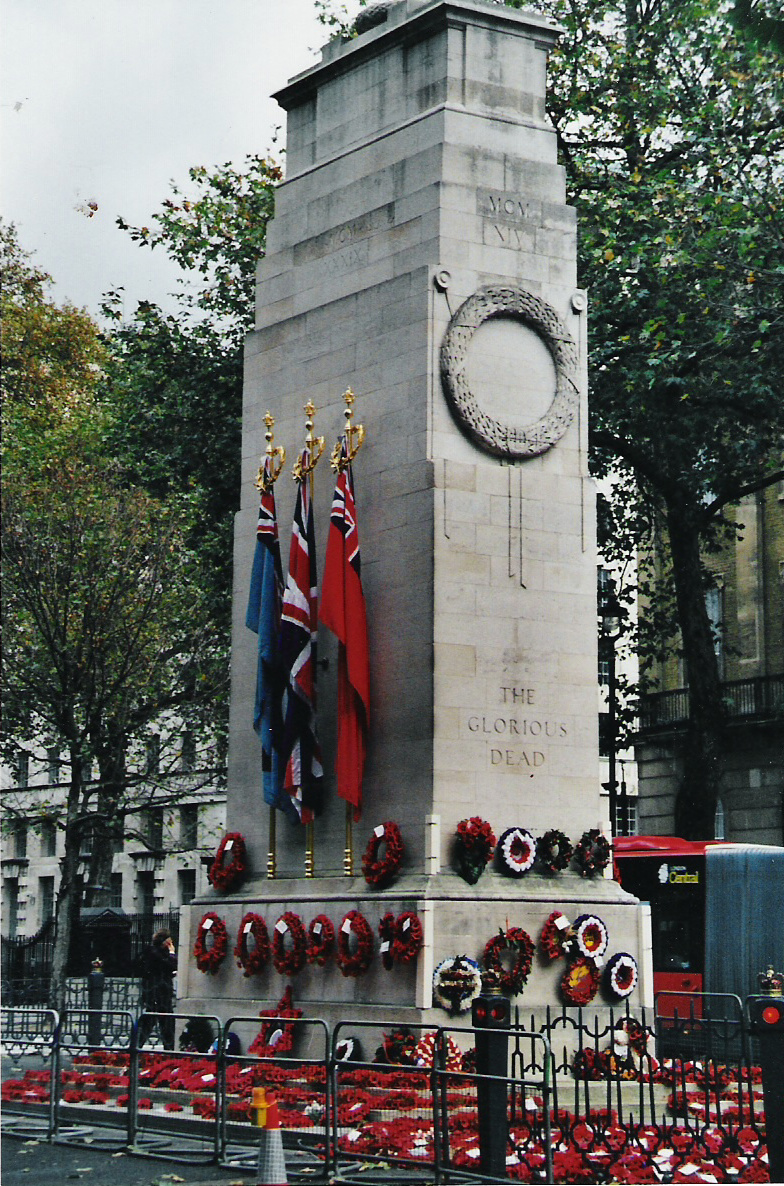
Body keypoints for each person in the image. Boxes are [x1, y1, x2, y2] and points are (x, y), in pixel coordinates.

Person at [138, 928, 177, 1049]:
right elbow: (170, 964)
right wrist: (172, 953)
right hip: (157, 994)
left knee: (164, 1025)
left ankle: (168, 1051)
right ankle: (135, 1048)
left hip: (160, 994)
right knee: (154, 1024)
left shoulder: (154, 952)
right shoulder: (154, 953)